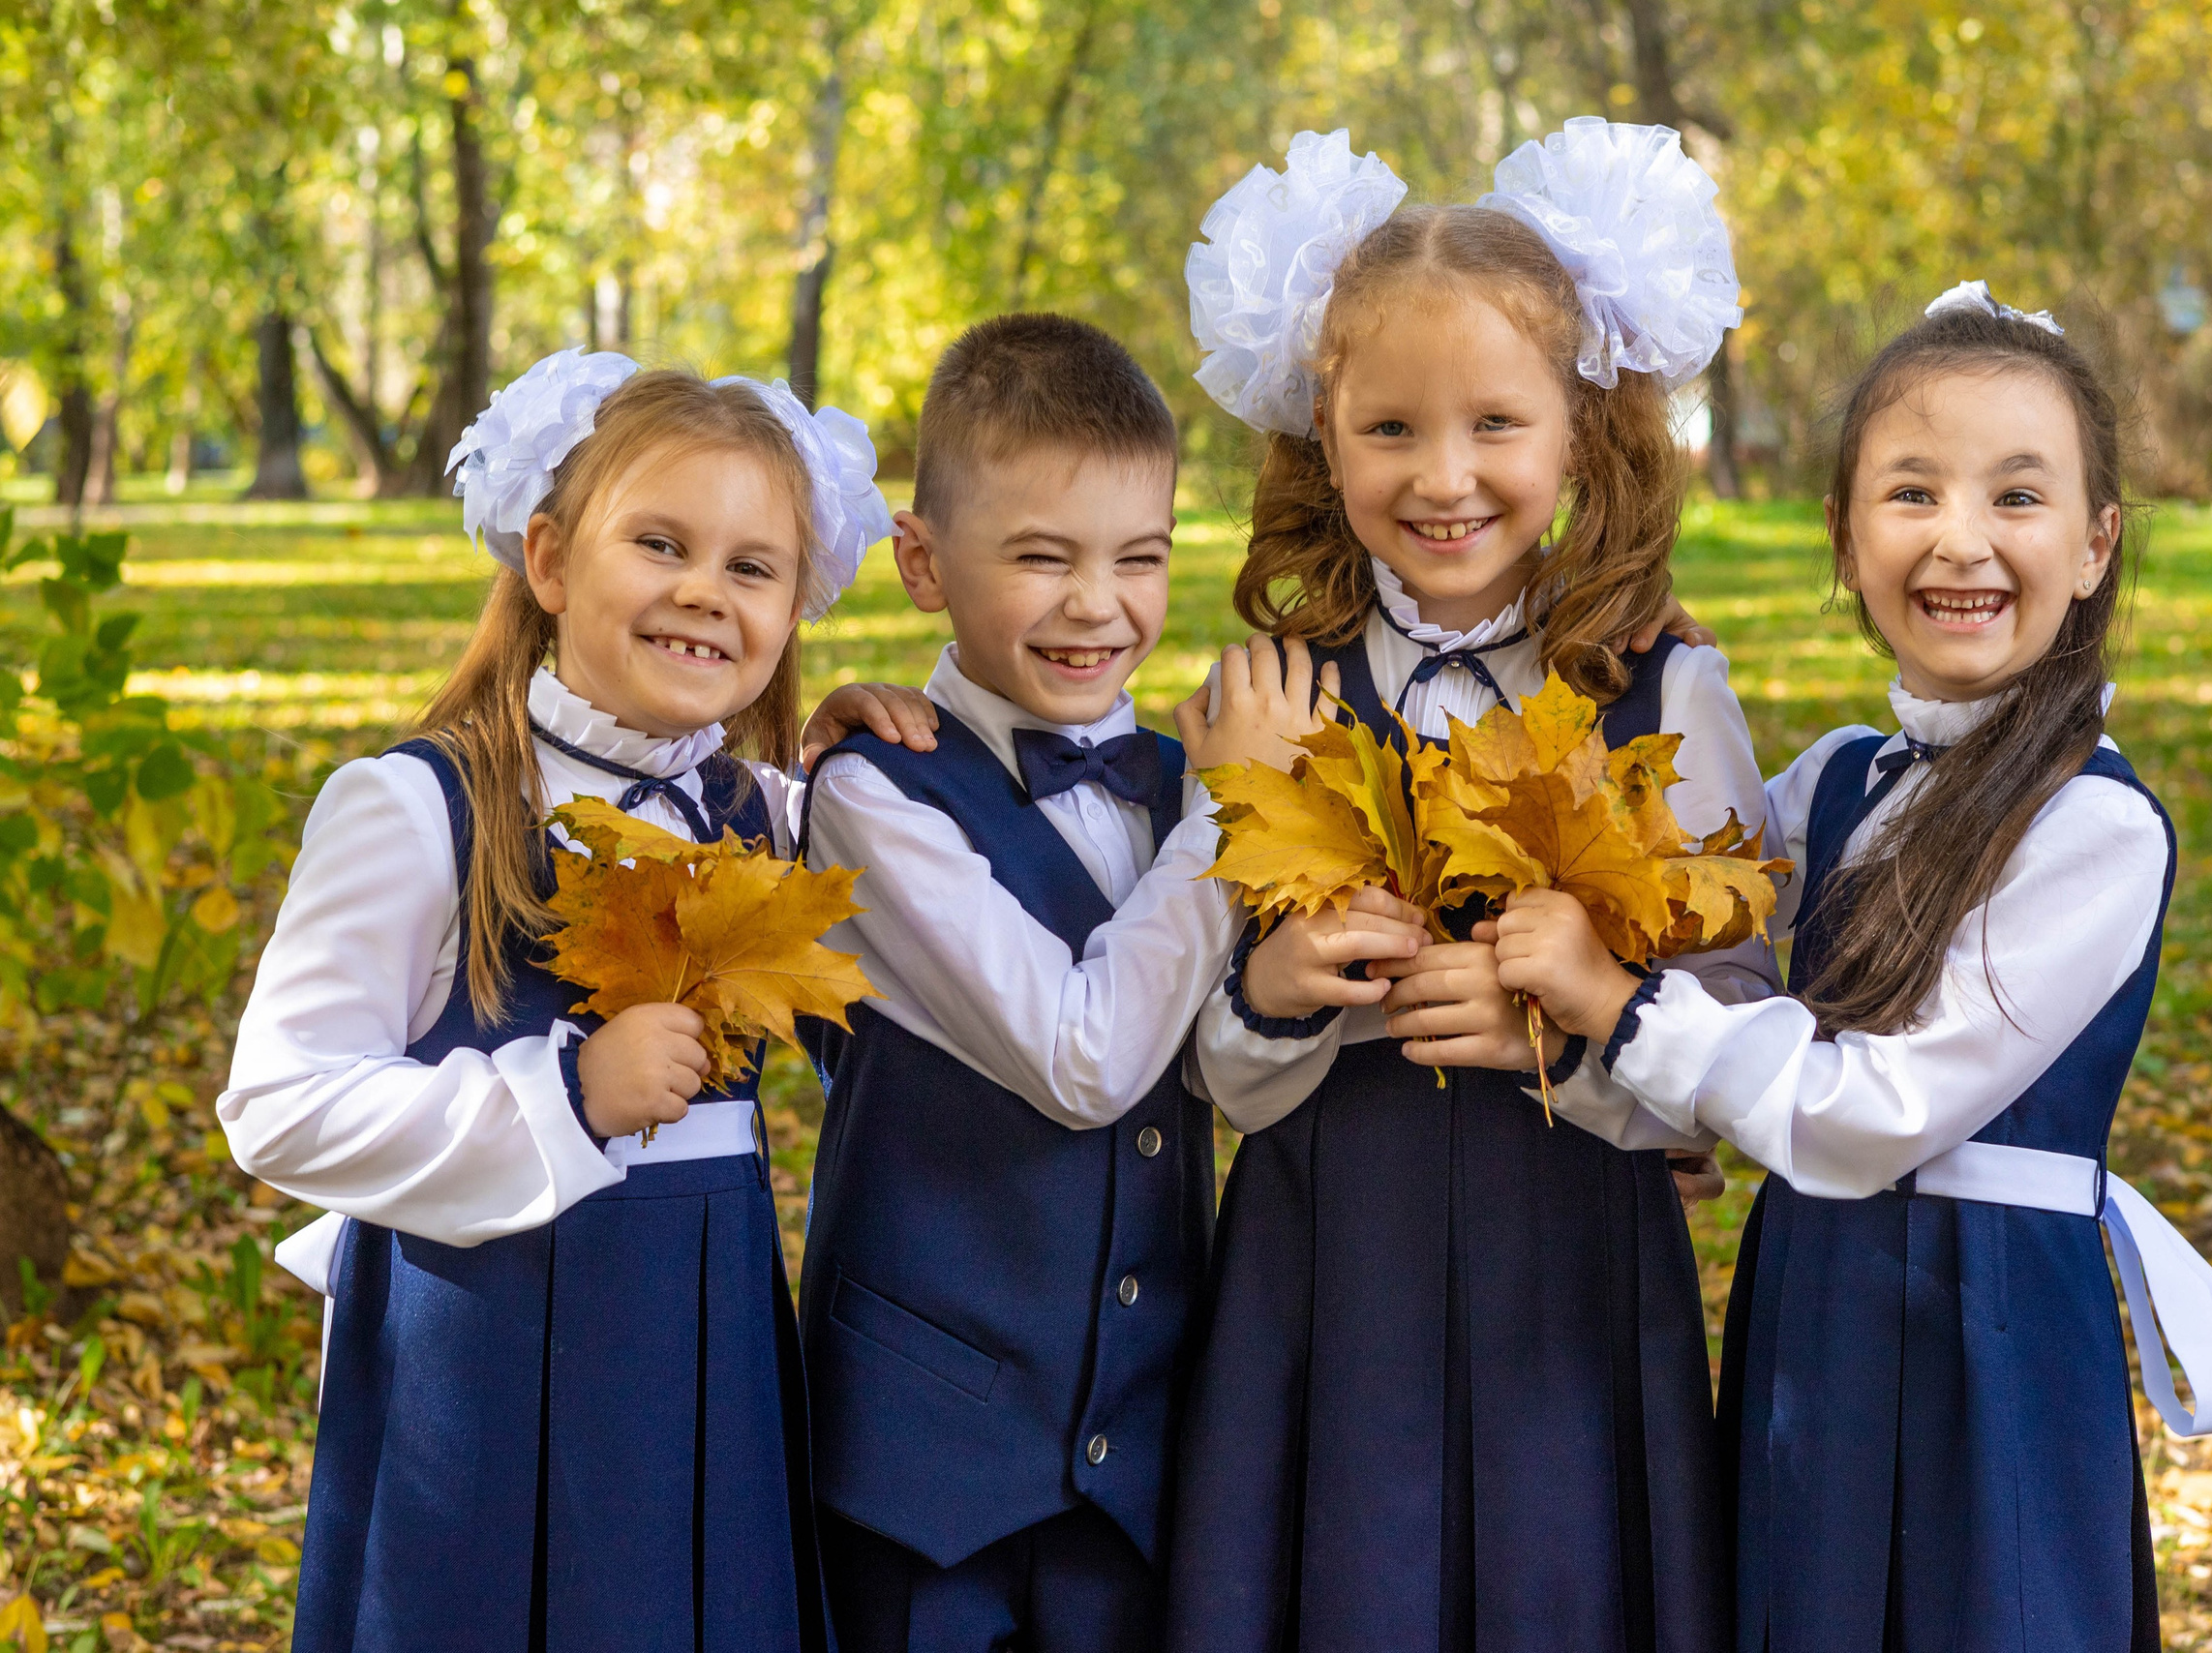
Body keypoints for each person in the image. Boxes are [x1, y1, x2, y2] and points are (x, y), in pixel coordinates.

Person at [1494, 282, 2212, 1652]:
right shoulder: (1846, 777)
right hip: (1818, 1312)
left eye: (2017, 498)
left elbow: (1876, 1112)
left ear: (2097, 545)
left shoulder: (2092, 826)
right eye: (1911, 493)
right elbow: (1689, 899)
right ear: (1848, 543)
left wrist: (1619, 1013)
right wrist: (1665, 692)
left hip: (1992, 1342)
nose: (1960, 538)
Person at [1167, 121, 1765, 1653]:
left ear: (1578, 431)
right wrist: (1272, 998)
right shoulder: (1270, 698)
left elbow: (1744, 1037)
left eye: (1497, 423)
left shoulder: (1665, 691)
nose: (1446, 480)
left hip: (1567, 1268)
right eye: (1391, 432)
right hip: (1327, 1271)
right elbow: (1209, 1066)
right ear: (1324, 430)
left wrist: (1560, 1040)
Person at [218, 351, 890, 1653]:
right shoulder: (424, 809)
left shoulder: (775, 823)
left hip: (705, 1362)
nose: (705, 590)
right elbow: (278, 1104)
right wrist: (564, 1094)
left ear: (797, 607)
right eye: (660, 543)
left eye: (754, 568)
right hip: (481, 1370)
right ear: (549, 561)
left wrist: (904, 745)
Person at [797, 313, 1325, 1653]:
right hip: (925, 1472)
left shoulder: (1172, 779)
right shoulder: (875, 795)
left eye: (1139, 559)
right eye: (1042, 558)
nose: (1099, 604)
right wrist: (1235, 813)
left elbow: (1216, 1051)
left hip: (1139, 1465)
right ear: (922, 562)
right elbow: (1084, 1060)